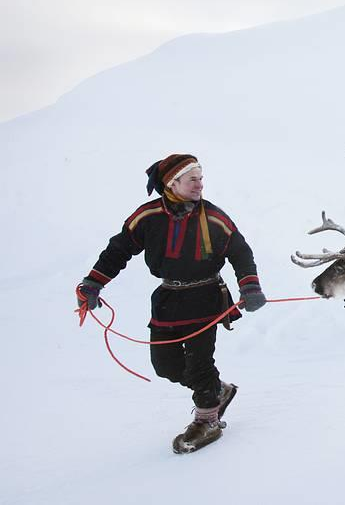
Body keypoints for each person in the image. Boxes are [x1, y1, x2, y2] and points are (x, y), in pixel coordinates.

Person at [76, 154, 266, 453]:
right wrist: (93, 282)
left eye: (201, 178)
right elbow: (119, 249)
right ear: (172, 182)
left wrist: (250, 286)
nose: (200, 185)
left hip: (206, 297)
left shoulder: (214, 217)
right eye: (193, 179)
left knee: (201, 363)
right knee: (165, 365)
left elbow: (240, 251)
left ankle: (207, 419)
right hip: (167, 299)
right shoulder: (148, 216)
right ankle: (217, 391)